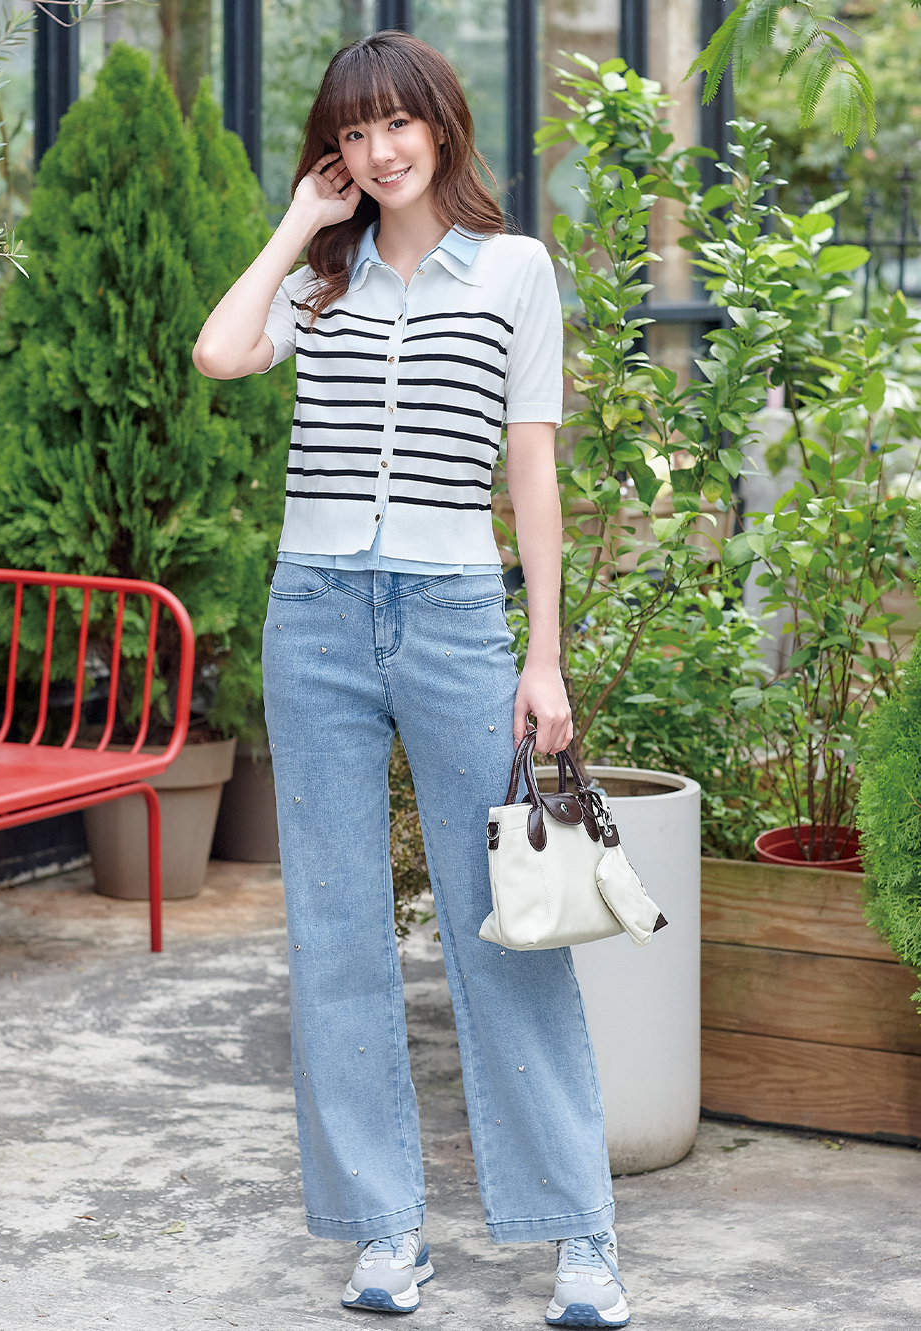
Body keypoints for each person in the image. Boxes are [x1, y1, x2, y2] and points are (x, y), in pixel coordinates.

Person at [193, 30, 628, 1329]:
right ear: (333, 151)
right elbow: (219, 352)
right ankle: (384, 1230)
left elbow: (531, 469)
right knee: (334, 932)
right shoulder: (318, 283)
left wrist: (543, 654)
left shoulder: (513, 270)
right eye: (354, 132)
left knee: (503, 921)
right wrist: (295, 225)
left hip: (451, 618)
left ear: (441, 125)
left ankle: (581, 1234)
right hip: (315, 617)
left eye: (398, 124)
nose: (380, 151)